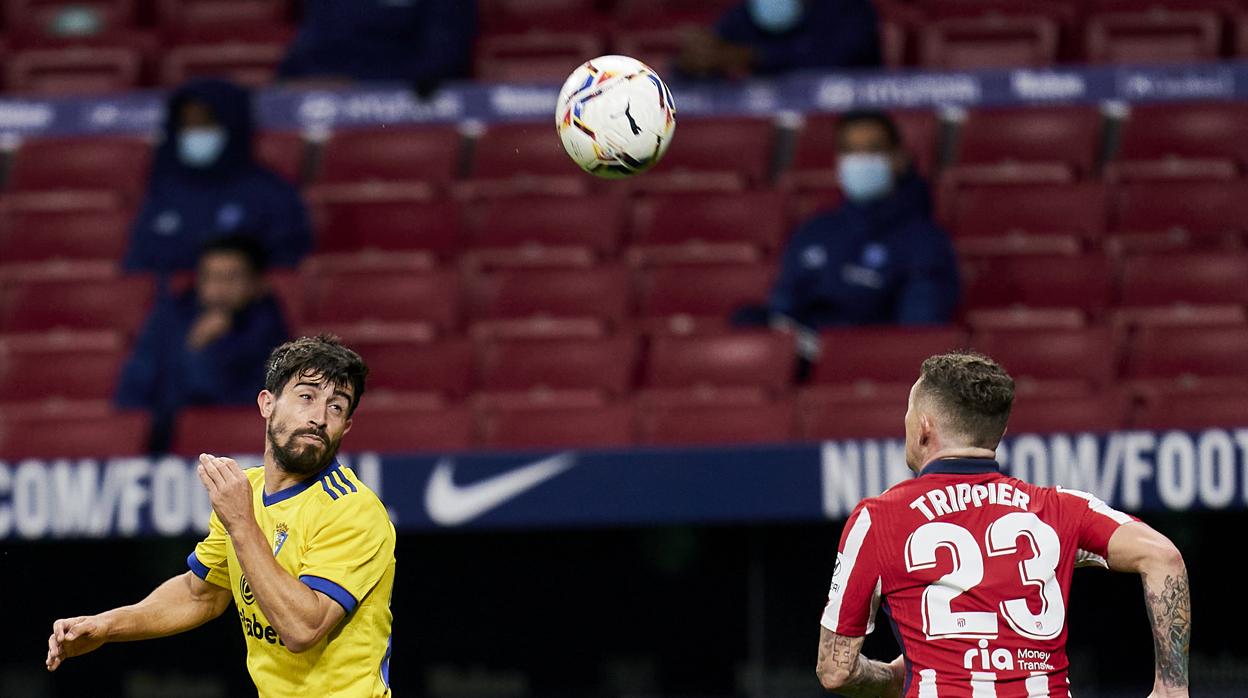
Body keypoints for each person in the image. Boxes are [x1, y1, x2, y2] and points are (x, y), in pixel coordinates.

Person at [815, 353, 1190, 697]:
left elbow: (836, 671)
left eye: (909, 412)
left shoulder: (878, 519)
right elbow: (1164, 557)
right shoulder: (1059, 508)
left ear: (925, 427)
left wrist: (899, 675)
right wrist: (1171, 690)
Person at [48, 335, 396, 698]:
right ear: (267, 403)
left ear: (347, 426)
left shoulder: (352, 509)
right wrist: (106, 626)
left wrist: (242, 523)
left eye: (337, 407)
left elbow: (302, 629)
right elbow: (201, 594)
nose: (319, 418)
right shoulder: (248, 491)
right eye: (306, 397)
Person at [768, 110, 959, 333]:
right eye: (850, 151)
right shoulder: (814, 230)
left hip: (874, 362)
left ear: (899, 157)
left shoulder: (926, 242)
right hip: (804, 358)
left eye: (873, 149)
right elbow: (782, 305)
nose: (860, 160)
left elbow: (917, 332)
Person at [116, 235, 290, 453]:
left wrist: (204, 352)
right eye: (210, 277)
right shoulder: (171, 319)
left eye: (231, 278)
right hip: (168, 454)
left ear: (256, 283)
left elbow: (236, 401)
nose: (219, 289)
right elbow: (132, 390)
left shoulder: (270, 330)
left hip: (242, 450)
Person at [124, 78, 312, 274]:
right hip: (168, 303)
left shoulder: (273, 195)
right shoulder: (163, 191)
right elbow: (137, 268)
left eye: (206, 123)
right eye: (187, 125)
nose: (195, 133)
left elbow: (285, 270)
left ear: (233, 124)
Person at [278, 0, 477, 92]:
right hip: (327, 90)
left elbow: (444, 59)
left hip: (410, 97)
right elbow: (308, 49)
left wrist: (355, 84)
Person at [677, 0, 881, 79]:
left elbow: (837, 59)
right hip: (758, 125)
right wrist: (694, 63)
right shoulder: (743, 15)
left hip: (837, 120)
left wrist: (756, 56)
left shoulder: (851, 9)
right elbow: (713, 53)